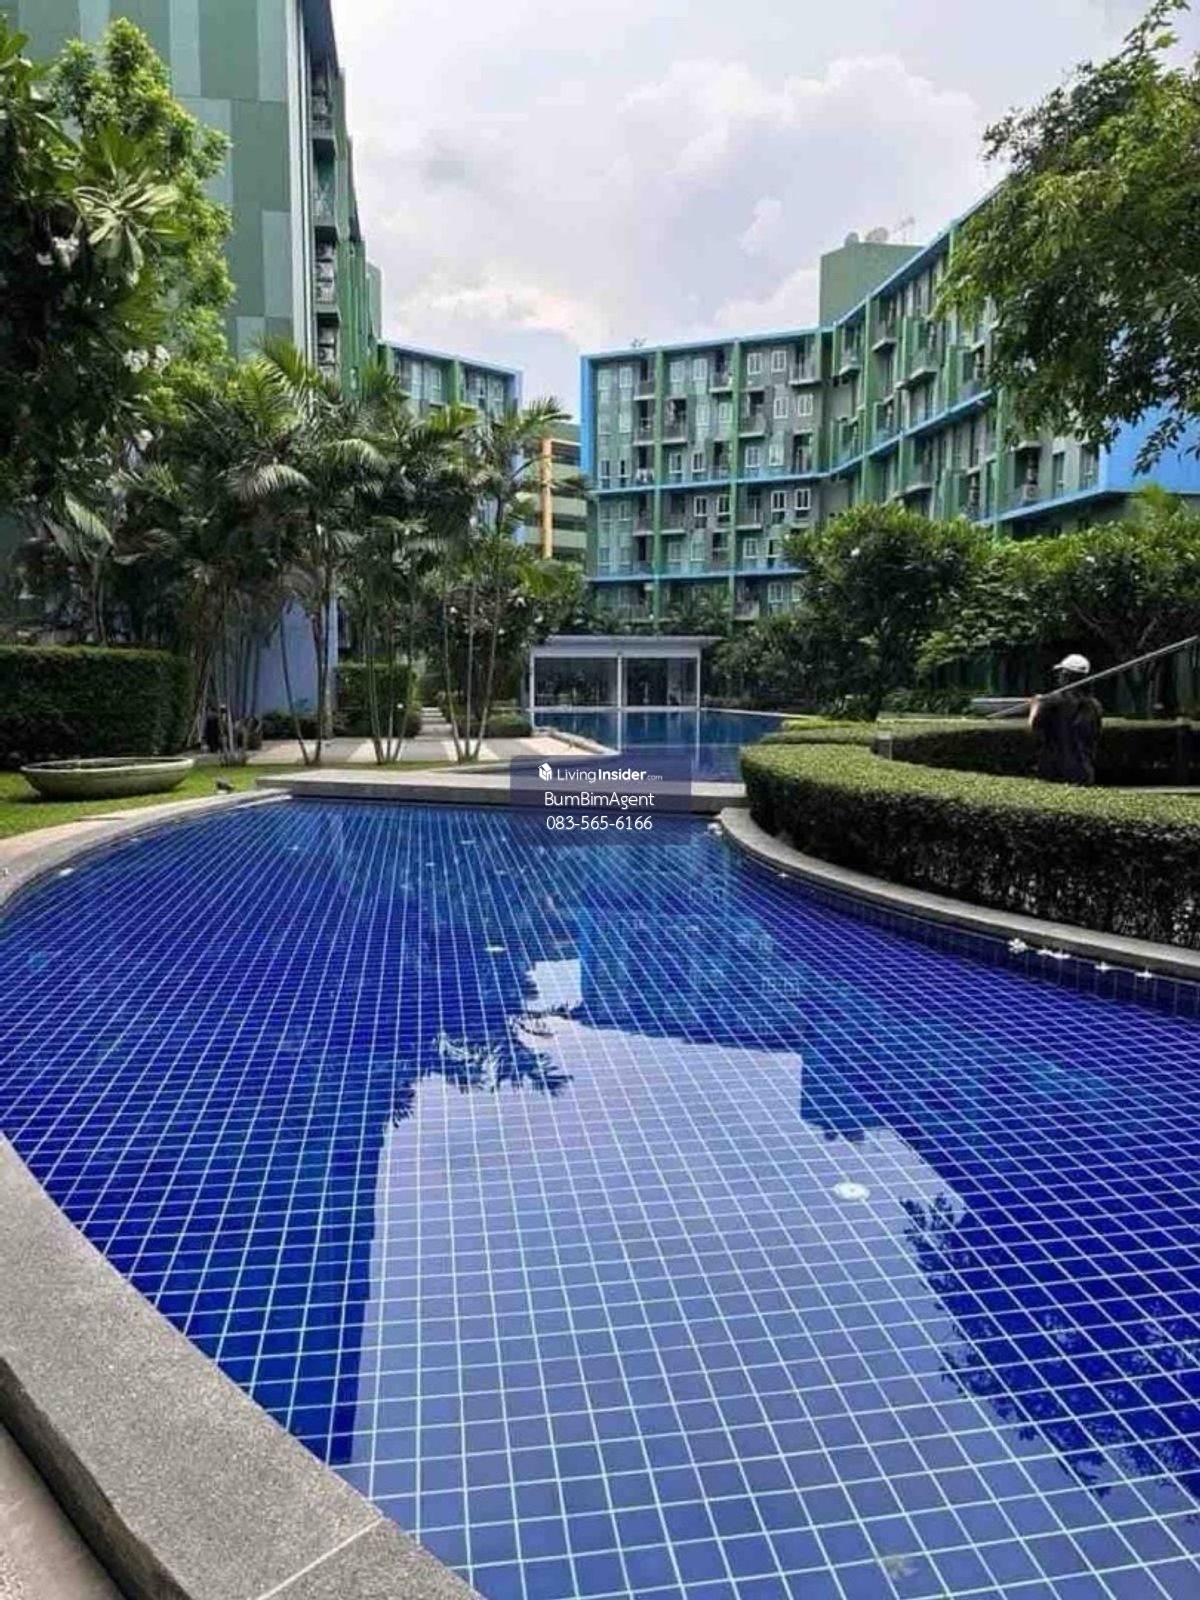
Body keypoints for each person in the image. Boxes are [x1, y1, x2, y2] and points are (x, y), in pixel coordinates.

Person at [1029, 653, 1103, 784]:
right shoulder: (1095, 705)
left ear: (1064, 675)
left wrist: (1035, 705)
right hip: (1084, 771)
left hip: (1054, 771)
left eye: (1060, 673)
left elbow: (1034, 726)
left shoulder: (1052, 700)